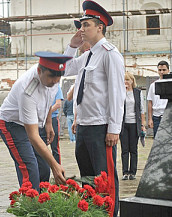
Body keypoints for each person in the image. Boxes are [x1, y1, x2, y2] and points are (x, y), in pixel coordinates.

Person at [64, 1, 126, 217]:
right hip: (84, 125)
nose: (81, 29)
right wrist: (72, 46)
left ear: (100, 27)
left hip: (101, 127)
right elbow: (66, 70)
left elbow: (118, 94)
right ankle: (92, 213)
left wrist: (114, 128)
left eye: (86, 25)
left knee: (104, 178)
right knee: (88, 179)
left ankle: (109, 213)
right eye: (81, 25)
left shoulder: (110, 53)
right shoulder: (87, 55)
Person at [0, 51, 71, 191]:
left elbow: (48, 98)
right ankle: (30, 207)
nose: (55, 81)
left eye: (58, 78)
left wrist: (48, 122)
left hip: (34, 122)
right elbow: (33, 136)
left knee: (43, 169)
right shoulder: (28, 90)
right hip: (13, 125)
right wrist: (55, 165)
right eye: (51, 77)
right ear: (39, 71)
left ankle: (42, 202)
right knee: (29, 170)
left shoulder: (53, 77)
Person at [120, 72, 146, 181]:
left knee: (133, 149)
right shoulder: (121, 92)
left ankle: (133, 172)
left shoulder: (138, 92)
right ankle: (125, 172)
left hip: (134, 123)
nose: (126, 82)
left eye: (128, 80)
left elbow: (141, 109)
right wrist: (123, 92)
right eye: (124, 80)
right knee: (124, 149)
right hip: (123, 124)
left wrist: (142, 125)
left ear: (132, 81)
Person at [39, 85, 63, 165]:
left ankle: (58, 170)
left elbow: (58, 104)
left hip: (52, 119)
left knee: (55, 147)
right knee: (40, 145)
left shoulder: (56, 87)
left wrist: (46, 112)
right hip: (40, 120)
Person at [147, 61, 169, 137]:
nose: (162, 72)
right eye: (160, 70)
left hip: (168, 116)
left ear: (168, 70)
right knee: (157, 141)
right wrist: (150, 119)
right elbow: (150, 102)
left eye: (164, 70)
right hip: (157, 117)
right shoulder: (153, 85)